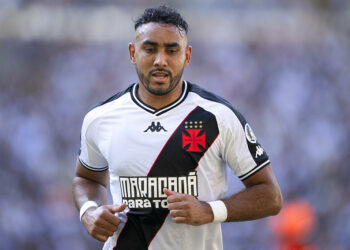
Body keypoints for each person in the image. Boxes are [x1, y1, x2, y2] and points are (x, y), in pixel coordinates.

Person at [72, 5, 283, 250]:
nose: (160, 60)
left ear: (187, 55)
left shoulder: (217, 117)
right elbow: (86, 177)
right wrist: (88, 211)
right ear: (132, 52)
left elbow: (270, 196)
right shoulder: (101, 118)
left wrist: (209, 210)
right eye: (149, 49)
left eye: (172, 50)